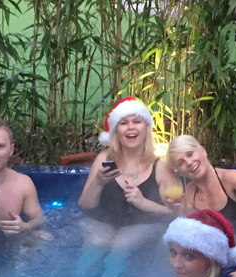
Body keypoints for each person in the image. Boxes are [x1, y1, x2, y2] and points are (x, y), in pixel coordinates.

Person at [78, 97, 181, 247]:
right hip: (104, 222)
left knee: (122, 244)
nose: (130, 127)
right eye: (124, 123)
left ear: (146, 128)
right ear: (116, 131)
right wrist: (98, 183)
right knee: (96, 242)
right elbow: (85, 206)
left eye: (137, 122)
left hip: (144, 225)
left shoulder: (160, 167)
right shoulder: (104, 159)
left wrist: (144, 203)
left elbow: (178, 213)